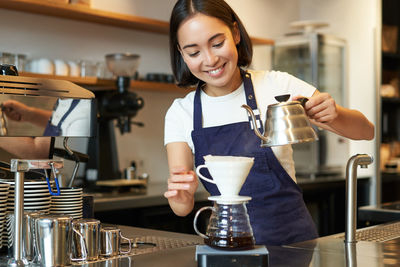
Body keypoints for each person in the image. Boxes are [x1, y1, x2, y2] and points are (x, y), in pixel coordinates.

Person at [163, 0, 374, 246]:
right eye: (194, 52)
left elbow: (366, 131)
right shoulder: (181, 112)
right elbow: (180, 208)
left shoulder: (277, 86)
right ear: (181, 53)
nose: (209, 60)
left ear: (235, 33)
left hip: (294, 245)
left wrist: (334, 113)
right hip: (229, 244)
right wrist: (182, 195)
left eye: (217, 43)